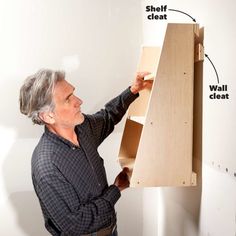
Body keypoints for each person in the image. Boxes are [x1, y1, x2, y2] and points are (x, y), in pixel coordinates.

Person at [19, 69, 152, 236]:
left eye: (73, 93)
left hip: (110, 229)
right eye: (68, 99)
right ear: (48, 116)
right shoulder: (47, 166)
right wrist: (116, 189)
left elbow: (108, 116)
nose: (79, 101)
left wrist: (133, 90)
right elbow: (76, 224)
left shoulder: (83, 128)